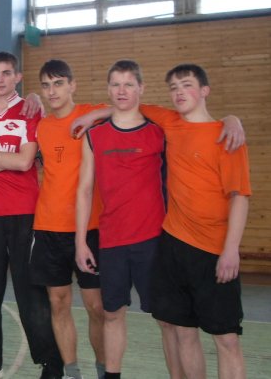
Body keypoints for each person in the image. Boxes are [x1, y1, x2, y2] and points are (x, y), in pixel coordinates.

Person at [140, 64, 251, 379]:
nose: (178, 92)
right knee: (182, 331)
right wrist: (91, 116)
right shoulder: (170, 122)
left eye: (186, 85)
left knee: (227, 339)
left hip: (214, 251)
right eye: (173, 87)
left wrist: (230, 250)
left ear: (204, 90)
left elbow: (240, 198)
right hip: (173, 245)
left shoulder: (227, 137)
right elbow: (127, 104)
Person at [0, 51, 63, 379]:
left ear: (17, 77)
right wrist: (8, 159)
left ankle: (50, 363)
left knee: (30, 293)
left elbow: (25, 162)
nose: (0, 79)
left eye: (6, 73)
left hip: (24, 213)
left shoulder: (30, 110)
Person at [75, 60, 165, 379]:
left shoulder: (159, 132)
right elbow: (85, 190)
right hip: (111, 242)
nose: (122, 90)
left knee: (168, 319)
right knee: (112, 314)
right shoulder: (94, 136)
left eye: (129, 84)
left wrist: (232, 120)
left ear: (141, 88)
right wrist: (80, 242)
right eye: (115, 84)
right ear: (108, 89)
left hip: (153, 241)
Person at [29, 60, 106, 379]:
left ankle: (104, 370)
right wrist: (30, 98)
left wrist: (91, 116)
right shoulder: (41, 126)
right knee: (58, 304)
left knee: (97, 307)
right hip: (49, 227)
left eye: (58, 83)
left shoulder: (92, 113)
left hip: (89, 228)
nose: (52, 91)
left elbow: (131, 108)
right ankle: (72, 372)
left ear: (72, 85)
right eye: (46, 86)